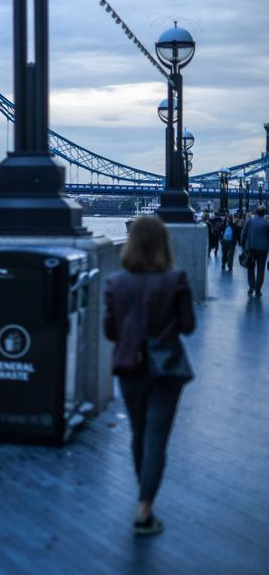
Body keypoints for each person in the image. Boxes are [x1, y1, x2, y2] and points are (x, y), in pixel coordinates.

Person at [104, 216, 195, 536]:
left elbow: (109, 330)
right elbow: (188, 326)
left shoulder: (115, 283)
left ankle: (143, 500)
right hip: (166, 368)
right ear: (163, 244)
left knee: (139, 434)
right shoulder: (176, 279)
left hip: (130, 366)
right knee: (157, 439)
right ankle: (145, 509)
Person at [240, 206, 269, 297]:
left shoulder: (250, 221)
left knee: (250, 267)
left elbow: (243, 234)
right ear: (264, 213)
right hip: (263, 250)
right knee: (261, 270)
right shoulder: (267, 224)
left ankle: (251, 286)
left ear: (256, 212)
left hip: (251, 248)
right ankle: (258, 289)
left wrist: (243, 245)